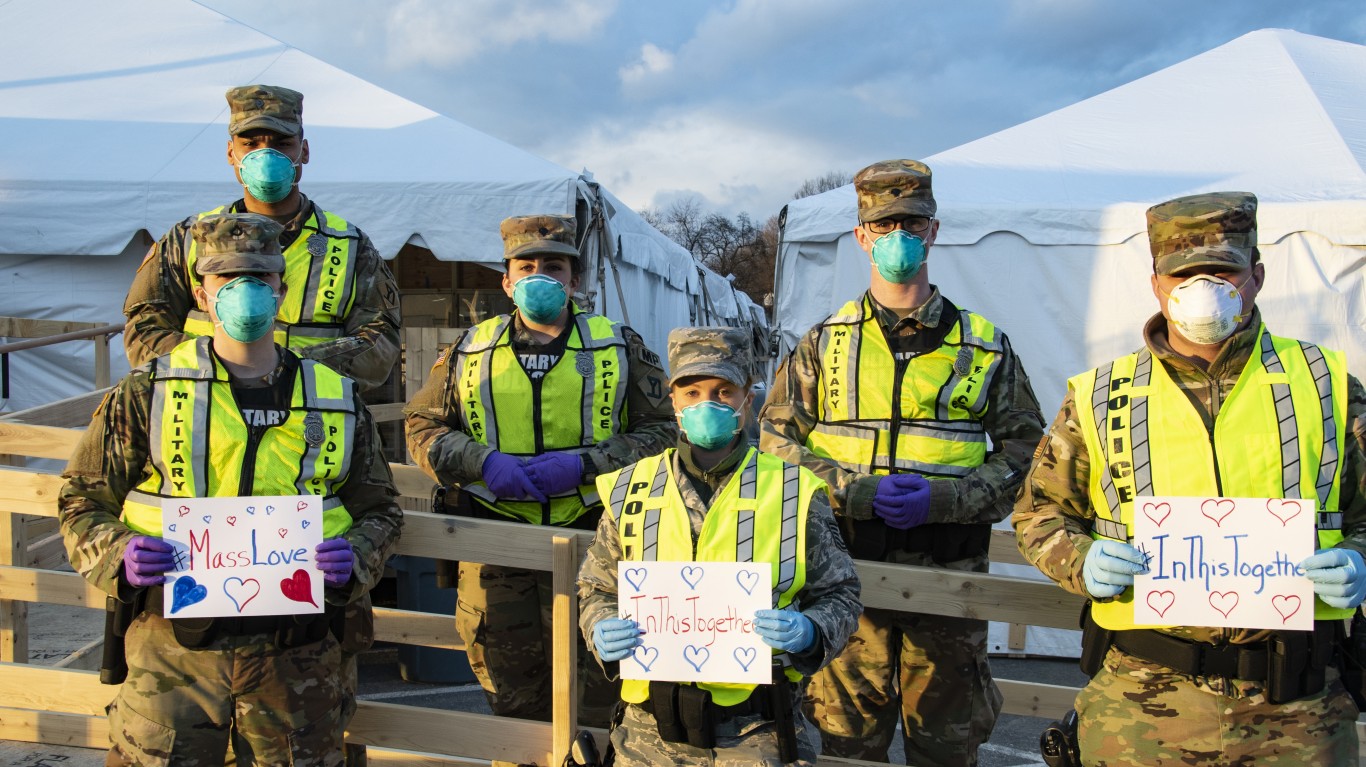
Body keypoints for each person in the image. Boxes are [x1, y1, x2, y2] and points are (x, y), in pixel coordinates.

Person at [1013, 192, 1366, 765]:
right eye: (1184, 273)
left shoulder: (1325, 383)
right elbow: (1038, 513)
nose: (1203, 288)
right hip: (1141, 701)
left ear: (1256, 276)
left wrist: (1360, 559)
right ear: (1156, 283)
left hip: (1298, 707)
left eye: (1222, 270)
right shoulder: (1102, 396)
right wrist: (1080, 560)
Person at [59, 213, 404, 766]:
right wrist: (118, 553)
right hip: (170, 654)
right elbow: (82, 500)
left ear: (281, 291)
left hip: (299, 656)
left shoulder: (335, 398)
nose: (245, 291)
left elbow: (381, 509)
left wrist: (357, 557)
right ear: (201, 290)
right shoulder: (147, 390)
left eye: (260, 279)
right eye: (226, 278)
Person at [759, 159, 1045, 765]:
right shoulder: (824, 342)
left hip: (948, 584)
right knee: (845, 746)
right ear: (861, 236)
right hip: (845, 580)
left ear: (934, 232)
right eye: (882, 226)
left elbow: (1029, 452)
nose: (897, 238)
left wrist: (947, 499)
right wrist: (852, 492)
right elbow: (776, 442)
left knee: (946, 746)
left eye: (911, 224)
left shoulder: (982, 343)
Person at [404, 214, 676, 763]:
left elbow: (665, 431)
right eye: (525, 266)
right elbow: (420, 426)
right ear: (505, 280)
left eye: (554, 266)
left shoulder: (619, 346)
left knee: (604, 697)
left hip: (597, 542)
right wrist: (481, 462)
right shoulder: (467, 350)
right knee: (513, 704)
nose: (539, 276)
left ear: (575, 279)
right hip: (496, 546)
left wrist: (589, 465)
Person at [579, 326, 863, 766]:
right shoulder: (629, 489)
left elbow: (841, 594)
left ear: (747, 401)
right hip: (647, 737)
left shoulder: (794, 490)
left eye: (723, 391)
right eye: (691, 392)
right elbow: (596, 588)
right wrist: (600, 626)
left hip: (757, 734)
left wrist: (810, 632)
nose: (706, 404)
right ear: (673, 401)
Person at [122, 84, 401, 393]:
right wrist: (217, 372)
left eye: (283, 144)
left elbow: (379, 338)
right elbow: (145, 325)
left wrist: (287, 371)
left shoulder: (351, 246)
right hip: (204, 412)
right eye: (250, 143)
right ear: (231, 153)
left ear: (304, 151)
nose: (266, 156)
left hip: (310, 411)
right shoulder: (191, 238)